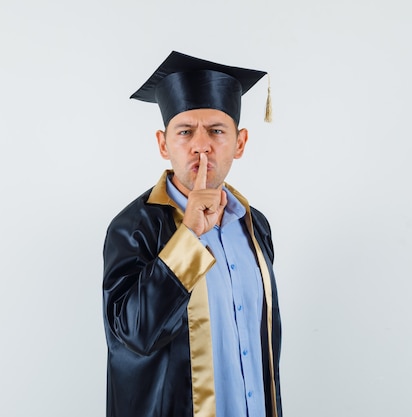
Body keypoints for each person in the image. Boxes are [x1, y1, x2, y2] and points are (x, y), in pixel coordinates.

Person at [102, 51, 283, 417]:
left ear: (240, 142)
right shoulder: (133, 228)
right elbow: (133, 335)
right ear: (164, 144)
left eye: (217, 131)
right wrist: (188, 237)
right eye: (185, 132)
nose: (202, 145)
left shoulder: (254, 225)